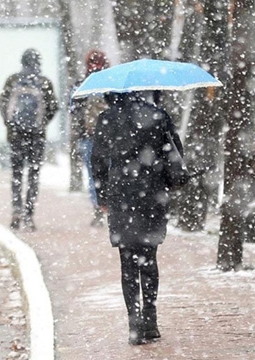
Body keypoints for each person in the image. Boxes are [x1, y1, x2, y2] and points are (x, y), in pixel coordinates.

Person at [91, 91, 184, 345]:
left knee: (127, 260)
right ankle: (151, 321)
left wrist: (101, 197)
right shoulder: (158, 115)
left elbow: (97, 160)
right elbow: (175, 153)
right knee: (149, 258)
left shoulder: (107, 119)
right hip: (153, 195)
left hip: (121, 195)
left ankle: (134, 323)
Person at [0, 49, 58, 232]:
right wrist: (41, 124)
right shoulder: (44, 82)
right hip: (36, 136)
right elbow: (53, 107)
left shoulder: (12, 80)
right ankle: (29, 214)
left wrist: (11, 125)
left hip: (16, 136)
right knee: (34, 174)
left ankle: (16, 210)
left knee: (17, 174)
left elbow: (2, 104)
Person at [70, 50, 110, 227]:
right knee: (111, 173)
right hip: (110, 138)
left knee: (94, 175)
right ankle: (112, 207)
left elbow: (73, 109)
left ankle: (98, 208)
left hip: (88, 137)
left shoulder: (81, 85)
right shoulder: (111, 83)